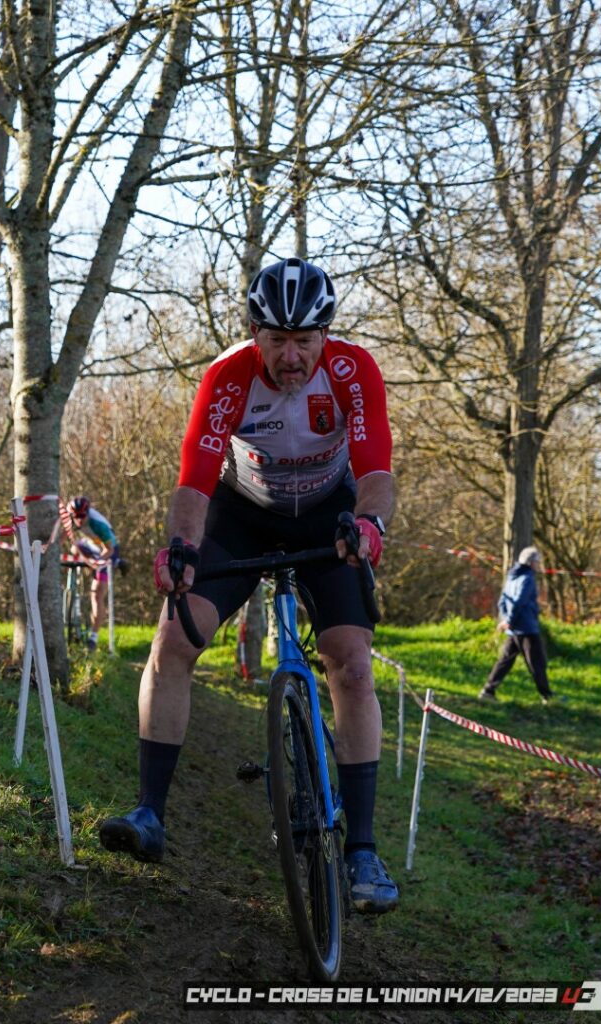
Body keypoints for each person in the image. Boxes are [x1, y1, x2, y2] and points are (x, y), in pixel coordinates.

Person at [99, 257, 399, 914]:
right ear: (255, 333)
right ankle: (150, 812)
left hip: (327, 515)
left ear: (325, 336)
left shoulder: (353, 370)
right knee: (172, 642)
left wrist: (370, 525)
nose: (291, 356)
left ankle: (362, 850)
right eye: (277, 340)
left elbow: (376, 466)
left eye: (304, 341)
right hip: (241, 517)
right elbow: (194, 477)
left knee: (352, 667)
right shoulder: (229, 376)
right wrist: (181, 547)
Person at [479, 546, 554, 704]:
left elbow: (502, 601)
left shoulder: (511, 577)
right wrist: (510, 620)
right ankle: (547, 696)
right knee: (537, 662)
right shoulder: (528, 578)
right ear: (531, 562)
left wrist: (506, 619)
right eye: (537, 561)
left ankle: (488, 690)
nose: (538, 564)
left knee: (505, 661)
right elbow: (519, 602)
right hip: (526, 627)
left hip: (513, 629)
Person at [66, 496, 126, 651]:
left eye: (82, 516)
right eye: (76, 517)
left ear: (87, 513)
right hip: (91, 545)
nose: (79, 520)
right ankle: (74, 586)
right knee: (73, 550)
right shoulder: (69, 517)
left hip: (108, 550)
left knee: (97, 594)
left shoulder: (98, 525)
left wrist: (96, 563)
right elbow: (61, 535)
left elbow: (109, 550)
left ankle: (93, 637)